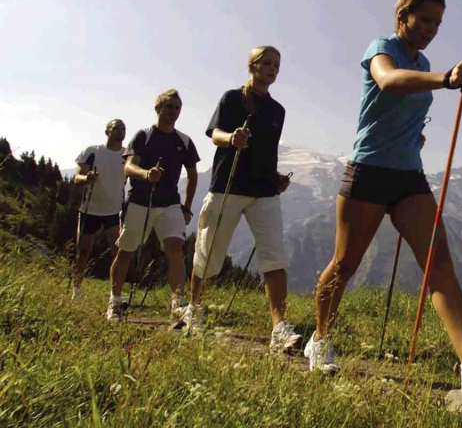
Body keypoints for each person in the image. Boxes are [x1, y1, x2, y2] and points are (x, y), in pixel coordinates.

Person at [306, 0, 462, 396]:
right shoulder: (382, 46)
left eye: (438, 23)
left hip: (408, 175)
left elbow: (404, 104)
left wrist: (413, 137)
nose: (430, 29)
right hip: (368, 170)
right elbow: (388, 82)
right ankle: (319, 341)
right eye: (424, 19)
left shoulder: (421, 60)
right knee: (345, 263)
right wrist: (445, 78)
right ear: (403, 15)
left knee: (437, 260)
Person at [181, 46, 301, 353]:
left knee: (275, 256)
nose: (273, 68)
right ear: (252, 65)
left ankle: (279, 328)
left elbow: (267, 152)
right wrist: (231, 138)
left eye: (277, 64)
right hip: (228, 185)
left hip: (264, 191)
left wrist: (276, 179)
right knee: (209, 251)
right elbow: (214, 133)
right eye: (267, 63)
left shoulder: (279, 111)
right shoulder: (232, 98)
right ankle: (194, 308)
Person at [106, 89, 199, 322]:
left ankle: (178, 304)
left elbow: (192, 174)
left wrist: (186, 207)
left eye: (177, 108)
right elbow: (128, 167)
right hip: (139, 201)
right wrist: (146, 174)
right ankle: (115, 303)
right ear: (158, 109)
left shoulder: (184, 141)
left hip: (170, 204)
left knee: (175, 250)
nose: (173, 112)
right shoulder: (143, 136)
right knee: (126, 252)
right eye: (168, 107)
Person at [72, 119, 127, 302]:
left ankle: (115, 294)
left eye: (123, 128)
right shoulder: (93, 152)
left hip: (114, 211)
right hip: (90, 209)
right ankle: (77, 291)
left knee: (118, 253)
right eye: (115, 128)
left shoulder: (128, 155)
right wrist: (86, 178)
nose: (120, 131)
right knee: (83, 252)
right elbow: (77, 178)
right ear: (107, 131)